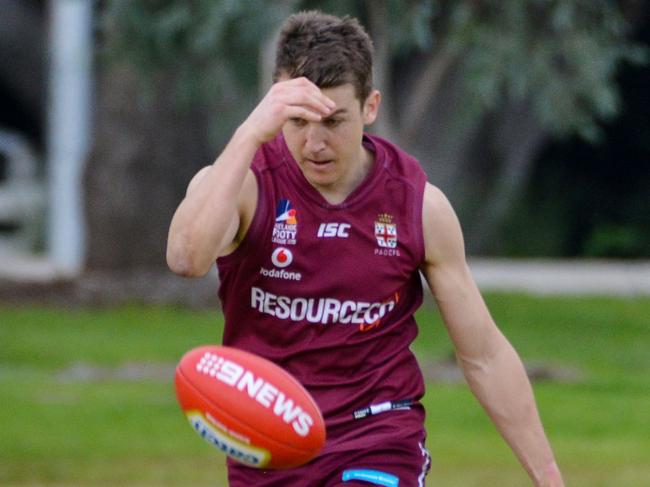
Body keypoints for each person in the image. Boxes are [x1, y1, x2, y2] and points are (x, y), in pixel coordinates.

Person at [166, 10, 564, 487]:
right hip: (268, 442)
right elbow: (187, 259)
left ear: (370, 106)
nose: (315, 142)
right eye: (296, 121)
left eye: (334, 121)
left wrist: (547, 474)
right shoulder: (246, 184)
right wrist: (251, 133)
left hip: (378, 435)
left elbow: (483, 355)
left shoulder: (418, 209)